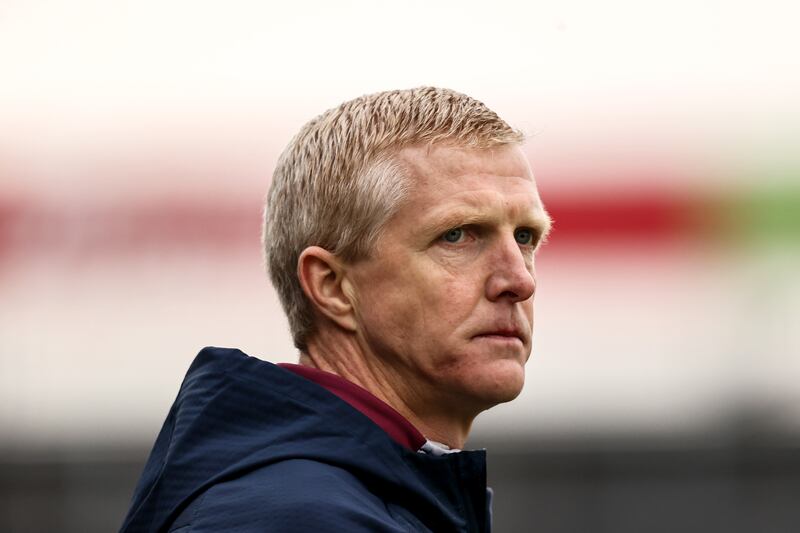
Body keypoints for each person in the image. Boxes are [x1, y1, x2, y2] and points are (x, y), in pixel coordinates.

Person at [120, 87, 551, 532]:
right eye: (458, 236)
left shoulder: (345, 501)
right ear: (332, 287)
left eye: (525, 238)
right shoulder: (290, 519)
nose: (519, 280)